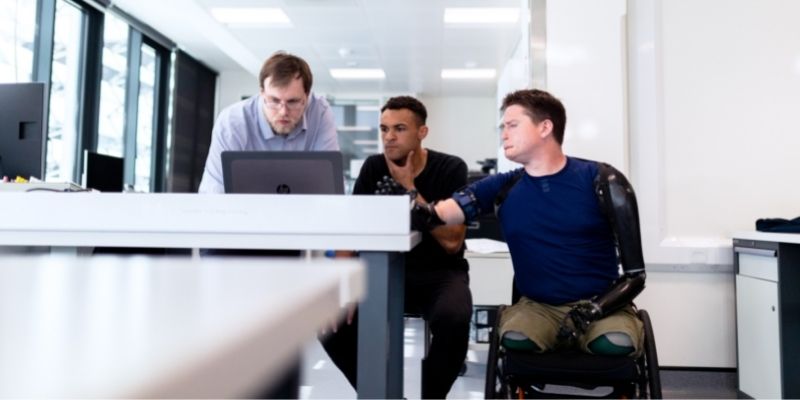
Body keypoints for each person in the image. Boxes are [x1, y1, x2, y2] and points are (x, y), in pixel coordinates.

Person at [413, 89, 647, 357]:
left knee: (614, 345)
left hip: (602, 306)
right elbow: (444, 212)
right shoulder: (503, 185)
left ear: (545, 127)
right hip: (538, 308)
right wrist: (413, 207)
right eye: (503, 127)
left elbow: (636, 275)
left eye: (512, 125)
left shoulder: (603, 180)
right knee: (515, 341)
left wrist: (595, 309)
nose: (504, 134)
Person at [320, 96, 473, 399]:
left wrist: (410, 192)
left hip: (439, 274)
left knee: (455, 316)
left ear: (422, 132)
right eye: (384, 129)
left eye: (399, 128)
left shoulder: (450, 168)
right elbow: (352, 230)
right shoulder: (374, 167)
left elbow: (453, 242)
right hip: (383, 271)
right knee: (331, 324)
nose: (389, 137)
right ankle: (383, 394)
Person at [198, 51, 339, 194]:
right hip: (245, 211)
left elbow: (327, 186)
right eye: (274, 101)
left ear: (306, 97)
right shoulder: (233, 122)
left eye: (293, 102)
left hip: (304, 211)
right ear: (262, 93)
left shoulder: (320, 112)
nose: (283, 111)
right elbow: (215, 191)